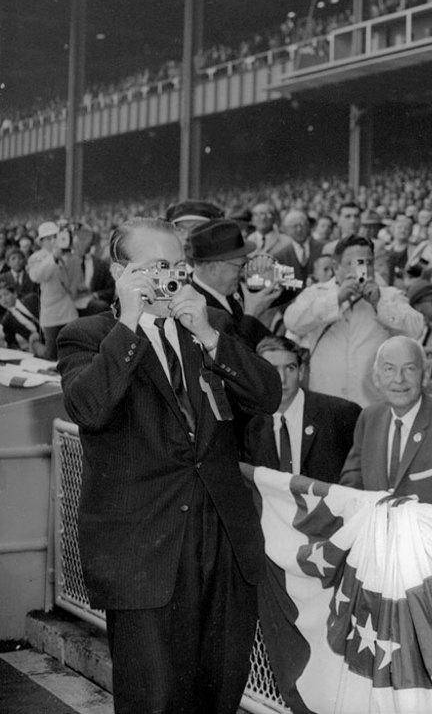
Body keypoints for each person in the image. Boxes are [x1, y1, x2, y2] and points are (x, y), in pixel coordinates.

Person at [56, 217, 282, 714]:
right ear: (120, 271)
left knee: (218, 694)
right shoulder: (88, 336)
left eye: (178, 265)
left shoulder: (209, 326)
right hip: (144, 549)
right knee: (154, 700)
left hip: (222, 541)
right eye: (157, 267)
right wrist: (130, 323)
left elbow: (268, 395)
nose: (171, 278)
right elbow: (90, 408)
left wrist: (207, 334)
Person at [339, 336, 432, 505]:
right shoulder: (369, 417)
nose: (399, 379)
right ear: (376, 377)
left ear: (425, 374)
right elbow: (351, 484)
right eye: (389, 369)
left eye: (409, 369)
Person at [283, 235, 424, 406]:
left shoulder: (389, 295)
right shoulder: (316, 293)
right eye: (353, 263)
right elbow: (292, 322)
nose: (362, 269)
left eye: (368, 263)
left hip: (372, 403)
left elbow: (415, 328)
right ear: (336, 267)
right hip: (327, 400)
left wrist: (380, 303)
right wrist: (335, 299)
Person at [241, 336, 360, 483]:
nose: (282, 379)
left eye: (290, 368)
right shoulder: (253, 427)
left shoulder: (340, 413)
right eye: (272, 370)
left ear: (301, 372)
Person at [187, 219, 277, 350]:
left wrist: (270, 271)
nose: (243, 272)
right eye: (240, 266)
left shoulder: (231, 288)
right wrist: (251, 315)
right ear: (213, 268)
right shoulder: (197, 309)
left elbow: (284, 295)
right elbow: (234, 358)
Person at [27, 221, 80, 359]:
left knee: (72, 348)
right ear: (41, 242)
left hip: (68, 306)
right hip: (50, 309)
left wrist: (68, 255)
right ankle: (35, 345)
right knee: (51, 354)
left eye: (55, 236)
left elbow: (75, 279)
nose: (53, 241)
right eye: (48, 238)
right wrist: (54, 257)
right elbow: (37, 276)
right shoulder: (36, 257)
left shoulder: (70, 255)